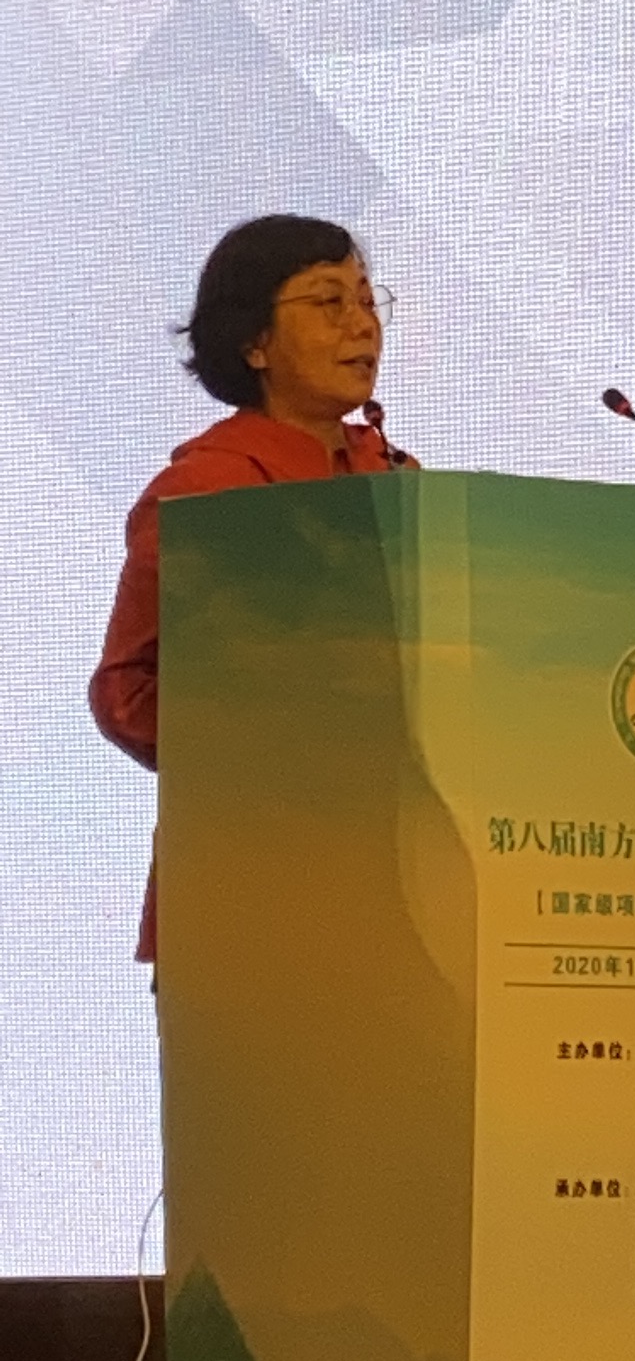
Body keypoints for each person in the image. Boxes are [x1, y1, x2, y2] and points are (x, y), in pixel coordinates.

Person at [89, 214, 414, 967]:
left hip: (394, 878)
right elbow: (125, 689)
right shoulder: (209, 489)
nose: (362, 324)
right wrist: (253, 743)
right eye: (328, 302)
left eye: (368, 301)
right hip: (249, 880)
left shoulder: (402, 482)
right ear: (254, 342)